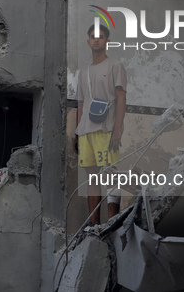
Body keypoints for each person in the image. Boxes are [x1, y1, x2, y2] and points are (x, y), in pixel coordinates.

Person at [74, 24, 127, 225]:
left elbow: (121, 98)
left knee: (110, 174)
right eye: (93, 37)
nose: (97, 39)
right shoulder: (83, 72)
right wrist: (77, 133)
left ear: (107, 41)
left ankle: (113, 220)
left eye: (101, 36)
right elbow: (81, 103)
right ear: (88, 41)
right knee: (92, 178)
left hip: (107, 129)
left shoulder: (115, 66)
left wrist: (117, 129)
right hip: (86, 130)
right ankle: (93, 223)